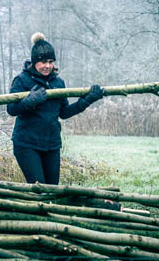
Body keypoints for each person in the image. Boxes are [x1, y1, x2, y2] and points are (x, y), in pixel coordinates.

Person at [7, 32, 104, 185]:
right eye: (44, 62)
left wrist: (88, 100)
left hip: (51, 144)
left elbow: (64, 113)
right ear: (34, 62)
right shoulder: (22, 80)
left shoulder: (58, 82)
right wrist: (30, 100)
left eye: (51, 61)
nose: (48, 66)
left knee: (53, 189)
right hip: (26, 144)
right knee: (40, 190)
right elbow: (11, 109)